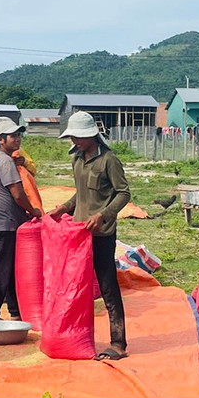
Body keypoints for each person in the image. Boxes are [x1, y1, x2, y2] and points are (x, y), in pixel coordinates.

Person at [48, 111, 130, 360]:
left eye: (77, 137)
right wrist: (64, 207)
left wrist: (103, 215)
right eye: (72, 137)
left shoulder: (108, 161)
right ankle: (78, 337)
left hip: (101, 234)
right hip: (78, 234)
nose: (74, 141)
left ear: (90, 135)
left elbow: (124, 193)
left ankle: (118, 343)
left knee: (107, 285)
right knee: (77, 287)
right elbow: (81, 194)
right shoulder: (77, 159)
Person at [0, 117, 42, 321]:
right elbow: (18, 194)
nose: (18, 139)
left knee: (8, 271)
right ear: (1, 139)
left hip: (1, 225)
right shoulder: (5, 161)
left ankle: (16, 313)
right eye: (13, 136)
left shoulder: (1, 160)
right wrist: (33, 210)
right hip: (2, 226)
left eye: (19, 135)